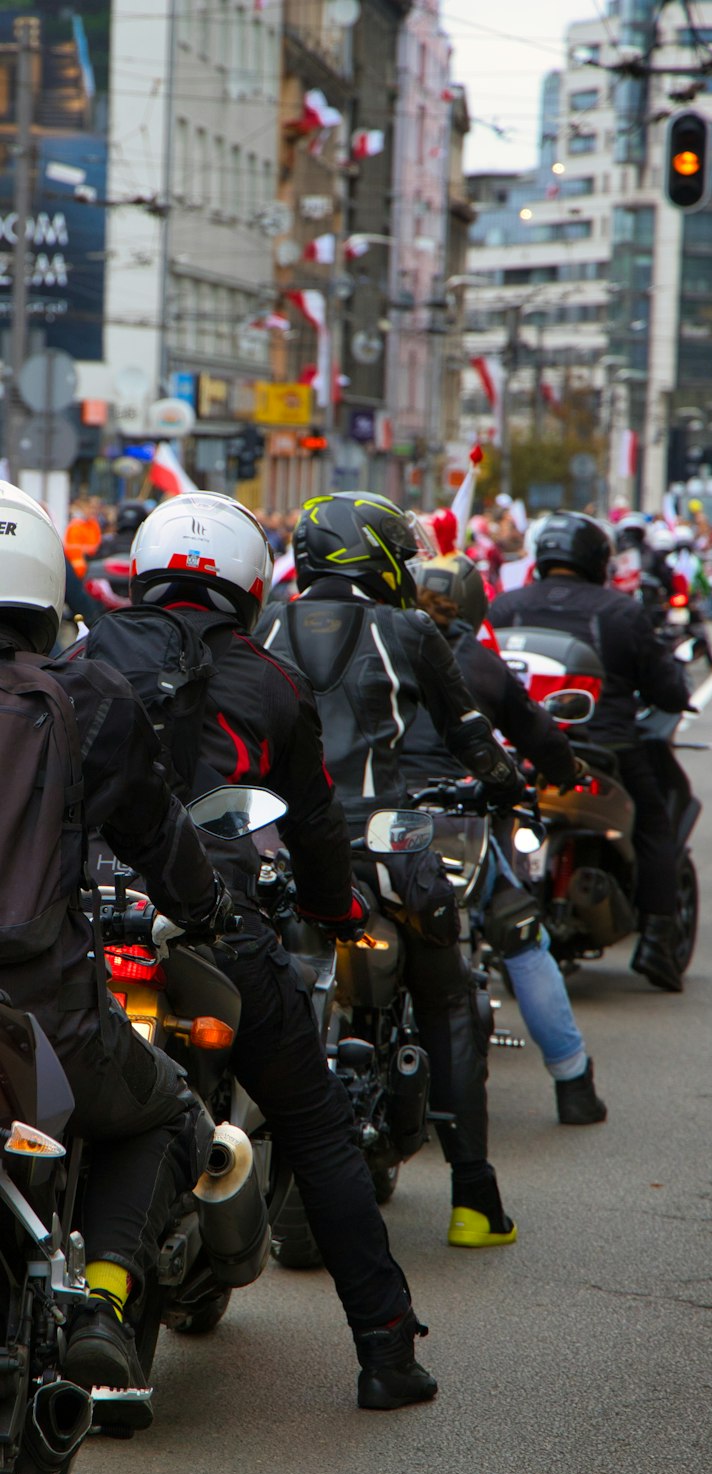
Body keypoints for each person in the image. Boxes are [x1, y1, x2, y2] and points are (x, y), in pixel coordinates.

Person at [76, 491, 436, 1410]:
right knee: (315, 1124)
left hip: (88, 914)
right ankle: (386, 1352)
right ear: (249, 583)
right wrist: (335, 908)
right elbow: (315, 825)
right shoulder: (272, 682)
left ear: (143, 565)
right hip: (215, 924)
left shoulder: (88, 653)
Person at [0, 483, 235, 1422]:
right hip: (46, 1008)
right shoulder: (86, 692)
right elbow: (157, 830)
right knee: (166, 1112)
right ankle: (103, 1299)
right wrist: (205, 906)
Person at [256, 493, 525, 1248]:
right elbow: (471, 733)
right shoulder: (410, 629)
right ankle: (474, 1199)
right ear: (369, 553)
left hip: (274, 844)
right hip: (381, 847)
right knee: (448, 994)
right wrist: (506, 784)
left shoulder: (264, 622)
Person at [406, 553, 607, 1126]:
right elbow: (540, 735)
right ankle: (573, 1084)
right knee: (520, 936)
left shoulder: (378, 642)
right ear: (473, 604)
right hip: (449, 825)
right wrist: (568, 772)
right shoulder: (480, 663)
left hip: (368, 817)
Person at [489, 511, 691, 993]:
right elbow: (668, 689)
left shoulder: (504, 607)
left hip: (517, 750)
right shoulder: (622, 612)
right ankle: (658, 942)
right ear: (599, 560)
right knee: (656, 823)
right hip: (607, 750)